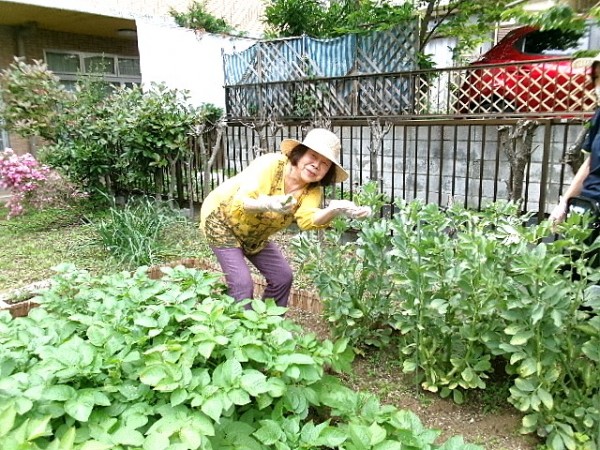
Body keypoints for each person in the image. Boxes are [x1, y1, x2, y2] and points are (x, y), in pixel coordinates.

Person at [199, 128, 371, 308]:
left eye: (325, 164)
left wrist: (335, 209)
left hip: (253, 234)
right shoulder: (271, 164)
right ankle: (241, 325)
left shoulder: (312, 190)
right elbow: (242, 201)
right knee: (242, 285)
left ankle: (269, 321)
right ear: (300, 153)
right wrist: (267, 203)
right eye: (313, 156)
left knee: (282, 277)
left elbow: (308, 220)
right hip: (221, 220)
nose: (316, 165)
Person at [549, 53, 600, 229]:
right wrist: (564, 203)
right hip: (590, 207)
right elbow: (590, 163)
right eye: (597, 78)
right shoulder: (599, 116)